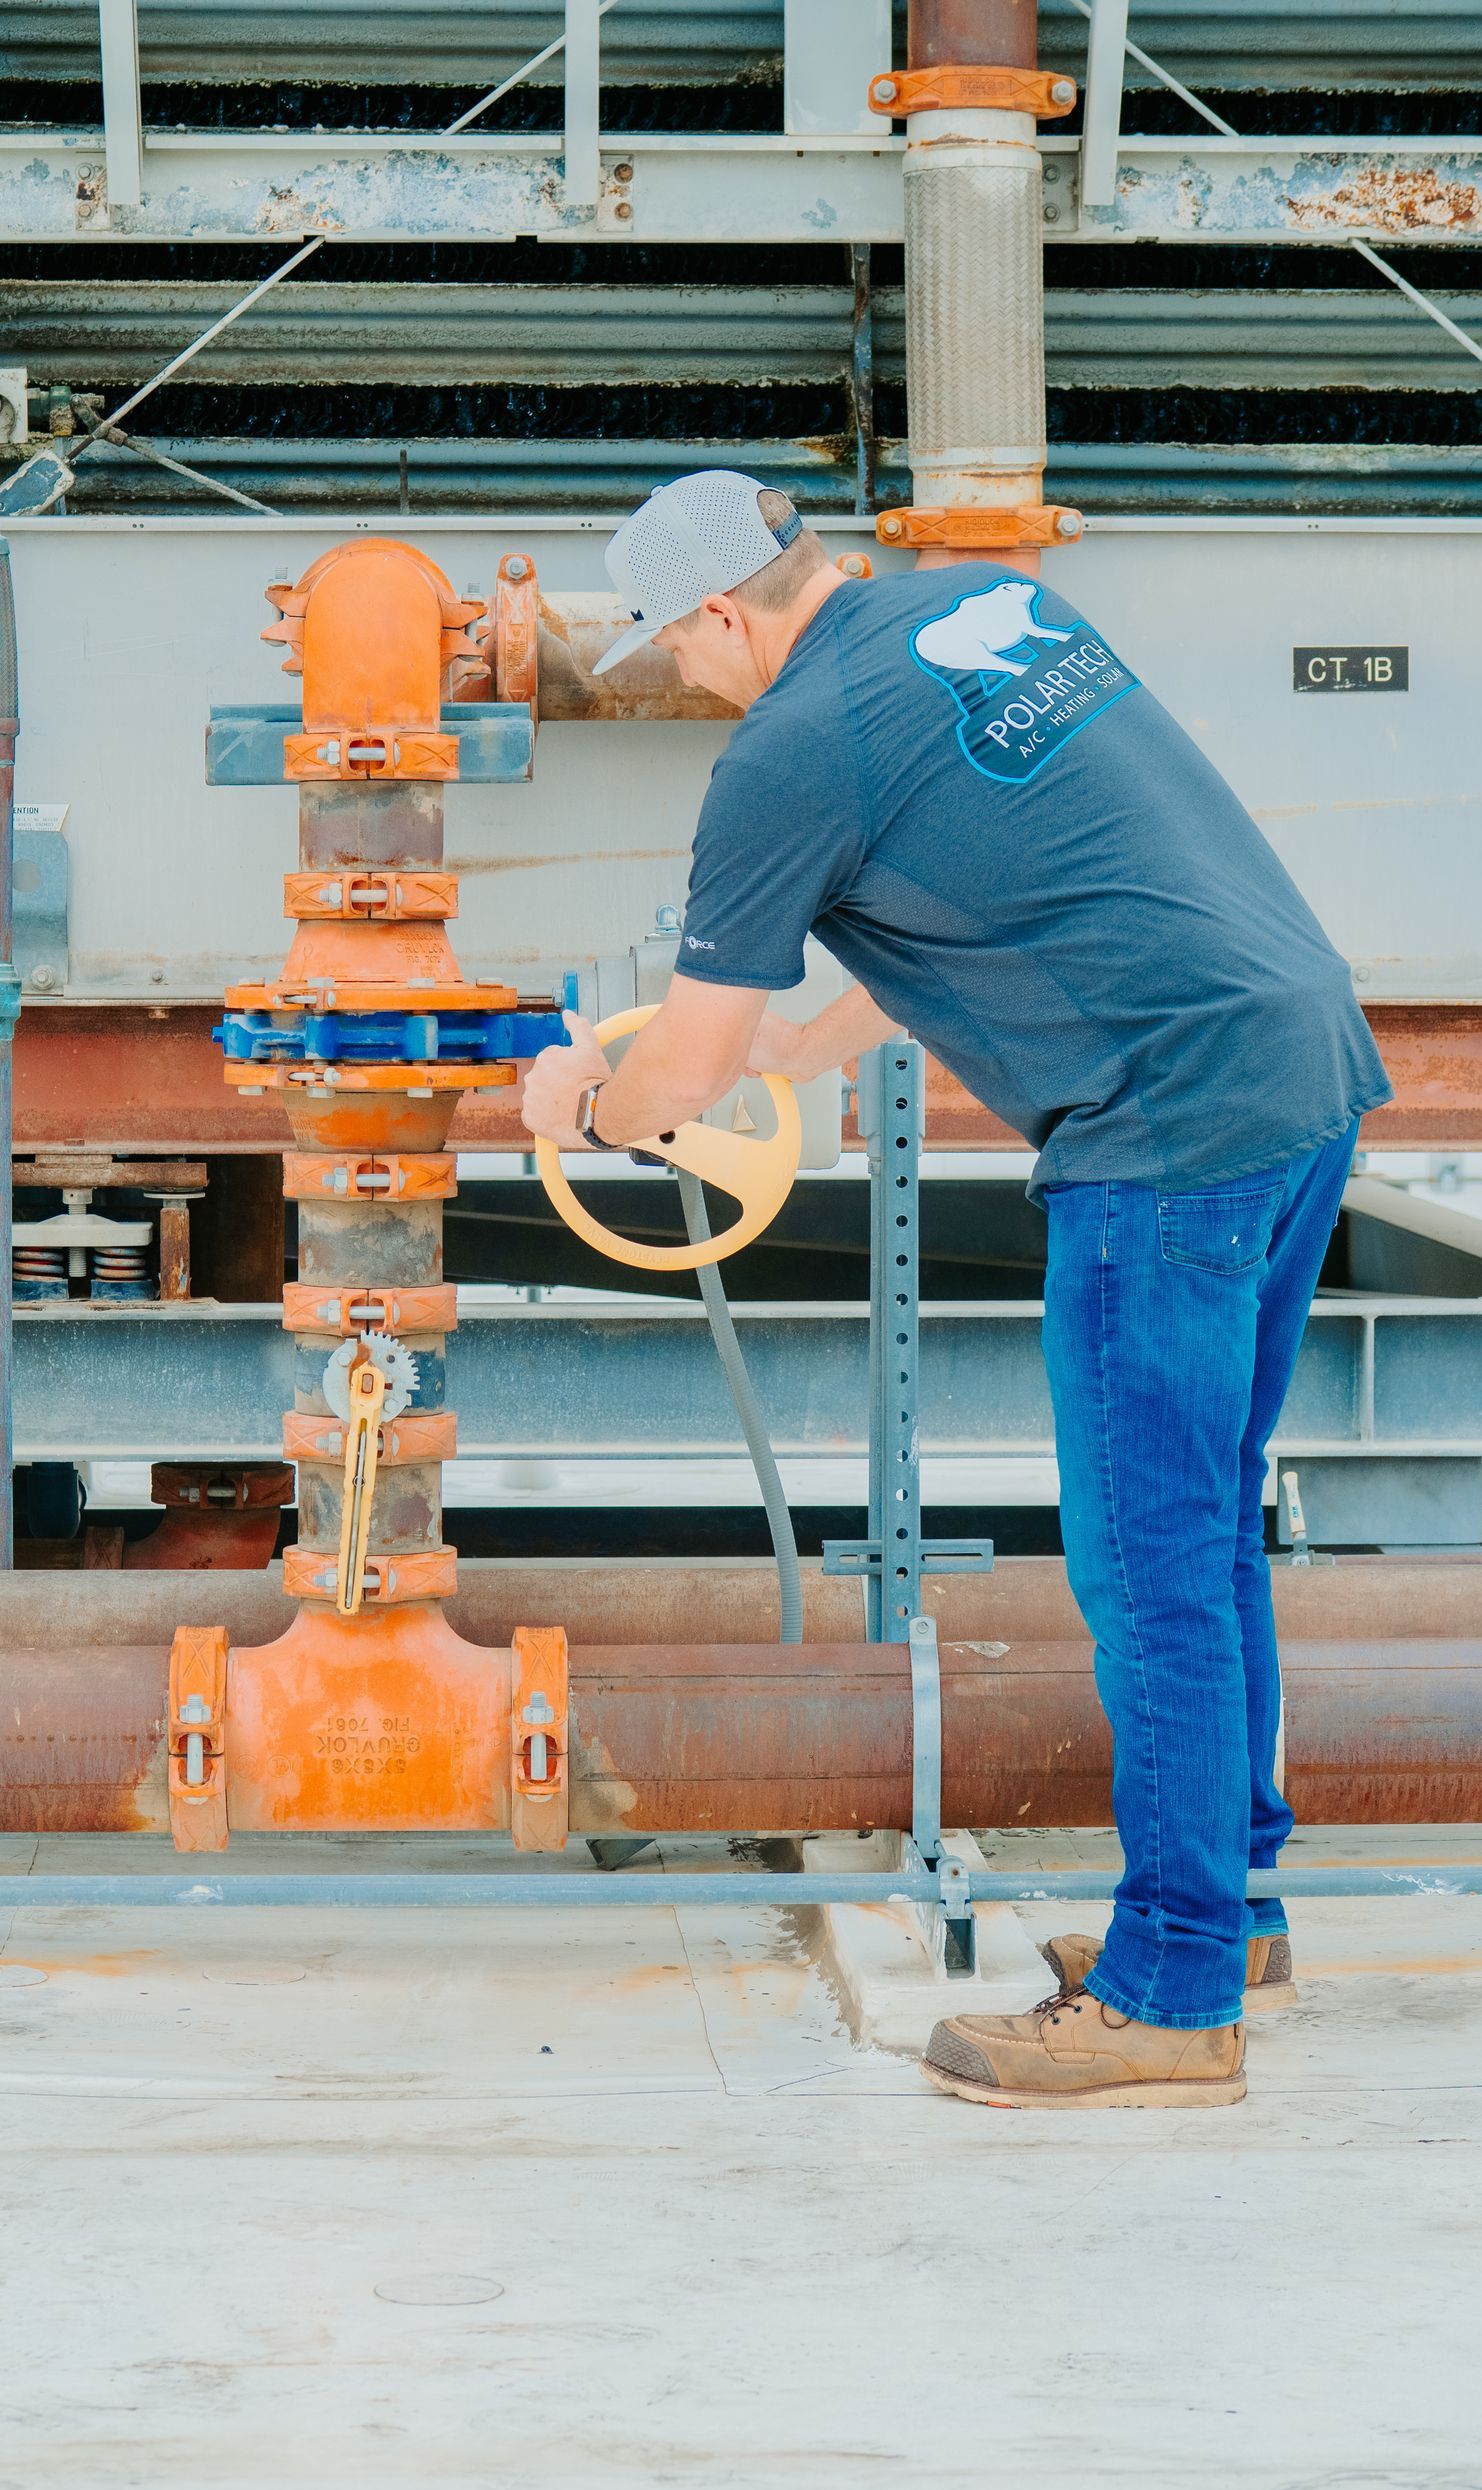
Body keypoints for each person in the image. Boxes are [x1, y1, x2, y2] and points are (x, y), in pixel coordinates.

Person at [521, 470, 1391, 2110]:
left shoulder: (782, 752)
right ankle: (1235, 1906)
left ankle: (1176, 1992)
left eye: (672, 651)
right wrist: (804, 1043)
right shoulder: (950, 607)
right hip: (1295, 1062)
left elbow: (678, 1070)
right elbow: (996, 864)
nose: (676, 680)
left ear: (723, 614)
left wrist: (583, 1100)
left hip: (1166, 1135)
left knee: (1146, 1570)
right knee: (1203, 1534)